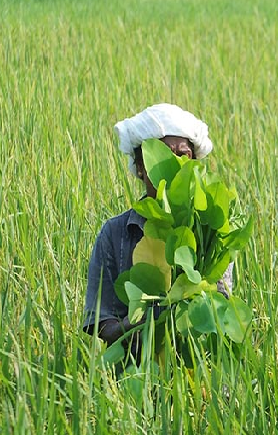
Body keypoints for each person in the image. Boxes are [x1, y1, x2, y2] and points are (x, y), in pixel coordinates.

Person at [83, 103, 222, 347]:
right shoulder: (115, 234)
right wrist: (127, 327)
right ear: (140, 167)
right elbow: (100, 319)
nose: (173, 165)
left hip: (197, 375)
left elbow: (221, 306)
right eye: (161, 156)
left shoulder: (210, 229)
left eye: (182, 156)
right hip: (133, 373)